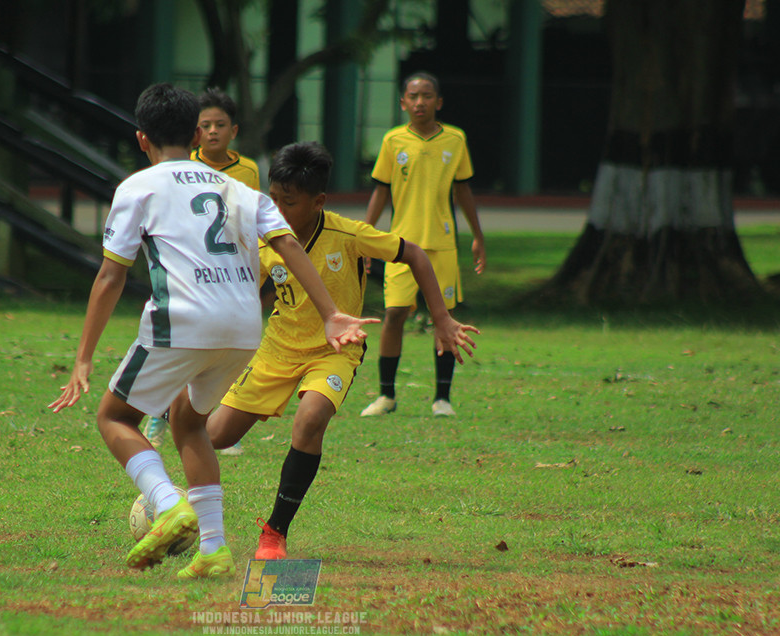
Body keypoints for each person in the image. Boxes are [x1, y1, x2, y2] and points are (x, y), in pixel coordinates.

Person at [48, 84, 375, 580]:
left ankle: (167, 502)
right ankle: (215, 548)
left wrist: (84, 357)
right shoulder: (243, 190)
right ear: (198, 133)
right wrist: (331, 312)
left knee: (115, 418)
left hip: (181, 320)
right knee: (189, 422)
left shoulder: (138, 187)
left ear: (142, 139)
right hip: (243, 327)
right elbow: (288, 246)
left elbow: (111, 275)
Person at [206, 142, 480, 559]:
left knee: (310, 418)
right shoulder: (264, 240)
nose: (276, 210)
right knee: (215, 435)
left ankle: (274, 532)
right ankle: (177, 506)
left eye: (288, 202)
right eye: (272, 200)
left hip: (335, 350)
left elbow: (416, 255)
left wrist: (440, 317)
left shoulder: (346, 233)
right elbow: (250, 293)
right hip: (277, 350)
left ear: (317, 202)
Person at [360, 71, 486, 419]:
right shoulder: (393, 141)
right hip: (400, 245)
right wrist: (365, 237)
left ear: (438, 102)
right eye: (413, 97)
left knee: (443, 318)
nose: (419, 102)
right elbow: (380, 191)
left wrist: (478, 235)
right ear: (403, 103)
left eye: (426, 96)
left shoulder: (455, 140)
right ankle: (386, 396)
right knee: (394, 314)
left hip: (442, 245)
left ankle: (442, 398)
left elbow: (463, 190)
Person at [145, 87, 261, 450]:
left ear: (234, 130)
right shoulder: (181, 167)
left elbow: (251, 225)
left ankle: (216, 423)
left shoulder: (247, 171)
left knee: (225, 350)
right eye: (205, 125)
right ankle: (160, 411)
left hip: (231, 273)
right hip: (188, 272)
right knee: (187, 345)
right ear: (195, 131)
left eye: (220, 125)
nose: (213, 131)